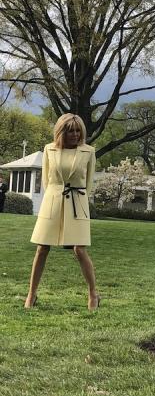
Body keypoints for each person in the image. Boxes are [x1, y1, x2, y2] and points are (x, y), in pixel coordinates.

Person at [25, 114, 100, 310]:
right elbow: (47, 181)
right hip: (53, 202)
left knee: (79, 249)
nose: (75, 134)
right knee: (42, 249)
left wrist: (81, 200)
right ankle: (31, 294)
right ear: (61, 132)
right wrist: (52, 198)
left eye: (78, 131)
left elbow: (89, 183)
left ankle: (93, 293)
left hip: (78, 203)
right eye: (70, 131)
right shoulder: (49, 149)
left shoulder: (89, 151)